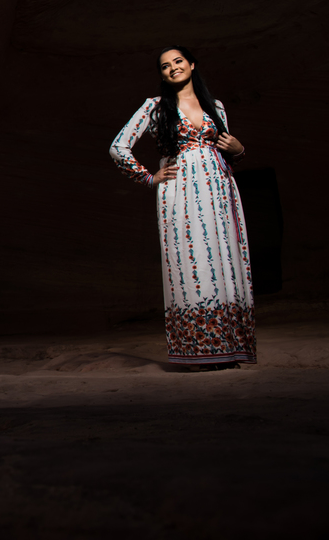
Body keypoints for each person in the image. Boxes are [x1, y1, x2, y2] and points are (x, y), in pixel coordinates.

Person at [109, 46, 255, 370]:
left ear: (192, 64)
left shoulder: (215, 107)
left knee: (223, 263)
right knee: (193, 264)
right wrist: (150, 178)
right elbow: (118, 147)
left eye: (178, 61)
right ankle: (199, 352)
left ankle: (227, 349)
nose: (172, 68)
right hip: (181, 192)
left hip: (220, 191)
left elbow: (229, 153)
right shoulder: (155, 108)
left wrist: (240, 149)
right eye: (165, 66)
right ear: (161, 74)